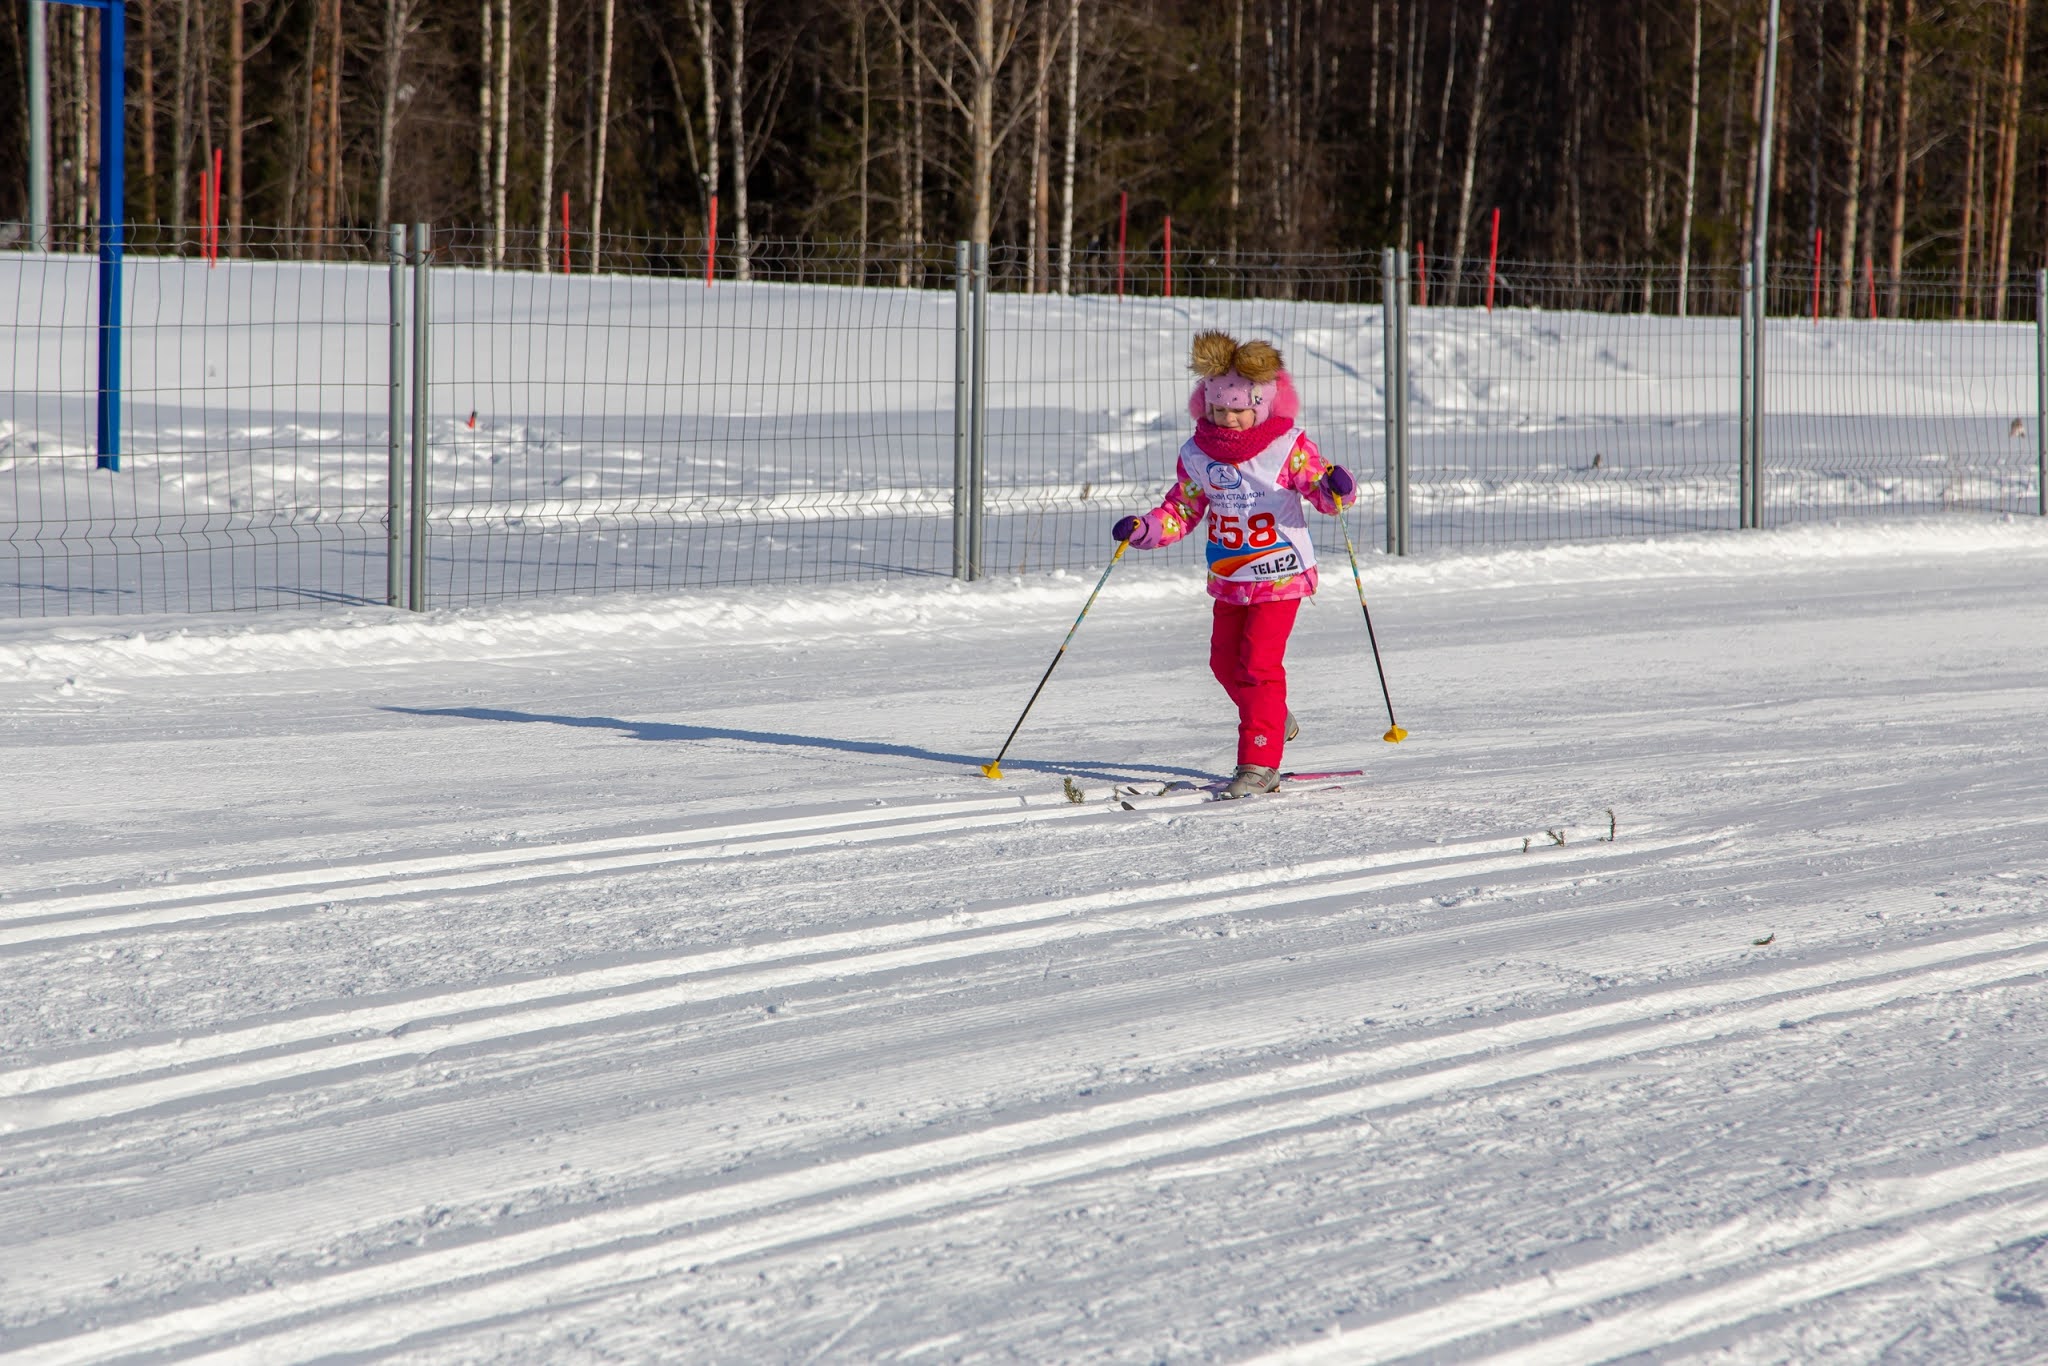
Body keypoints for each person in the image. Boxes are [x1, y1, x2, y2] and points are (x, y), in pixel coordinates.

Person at [1113, 331, 1356, 799]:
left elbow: (1324, 495)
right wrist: (1145, 530)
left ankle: (1259, 764)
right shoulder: (1198, 454)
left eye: (1239, 409)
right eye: (1219, 409)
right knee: (1224, 661)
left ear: (1261, 405)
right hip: (1230, 575)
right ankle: (1273, 714)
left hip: (1280, 572)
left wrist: (1336, 489)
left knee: (1259, 666)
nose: (1228, 418)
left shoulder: (1287, 447)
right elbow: (1182, 509)